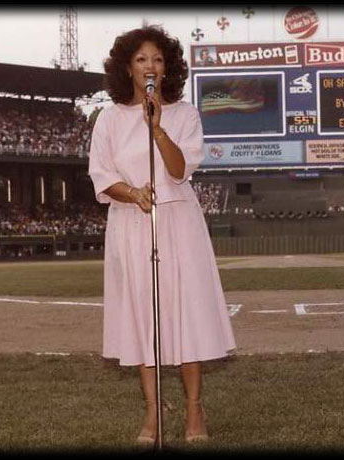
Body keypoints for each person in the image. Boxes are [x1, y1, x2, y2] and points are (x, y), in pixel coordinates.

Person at [88, 25, 236, 445]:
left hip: (179, 224)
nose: (150, 66)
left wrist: (157, 127)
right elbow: (101, 175)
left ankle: (194, 409)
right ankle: (153, 413)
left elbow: (178, 169)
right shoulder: (109, 119)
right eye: (141, 59)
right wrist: (133, 193)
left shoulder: (185, 115)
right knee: (141, 317)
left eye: (156, 59)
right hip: (131, 223)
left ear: (166, 67)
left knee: (185, 312)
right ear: (127, 69)